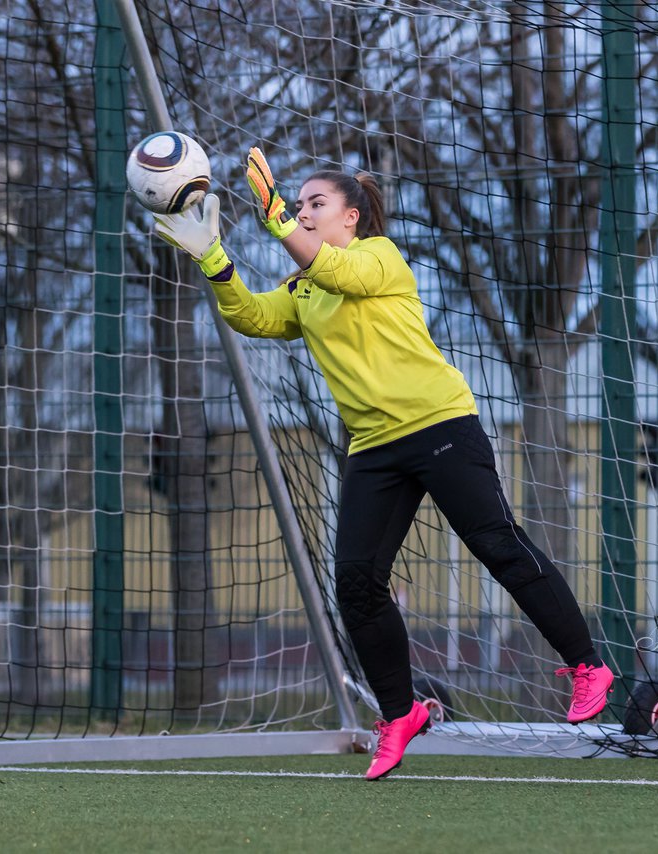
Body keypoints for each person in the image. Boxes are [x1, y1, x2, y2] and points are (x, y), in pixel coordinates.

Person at [154, 147, 614, 781]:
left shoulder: (378, 258)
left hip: (440, 424)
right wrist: (213, 258)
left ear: (352, 219)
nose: (304, 211)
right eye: (301, 202)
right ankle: (400, 714)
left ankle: (588, 664)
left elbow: (336, 272)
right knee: (357, 583)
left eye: (318, 203)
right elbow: (253, 317)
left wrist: (276, 215)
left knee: (496, 545)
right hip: (373, 447)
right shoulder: (304, 286)